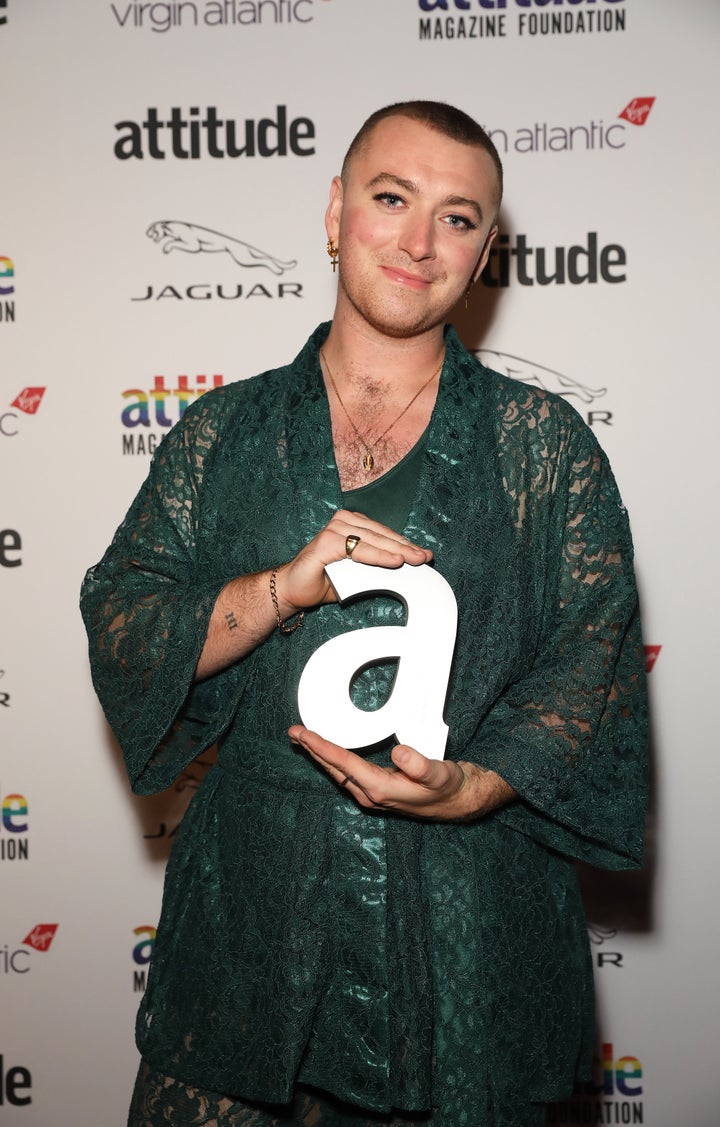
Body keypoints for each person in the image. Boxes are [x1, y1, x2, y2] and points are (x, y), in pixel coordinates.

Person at [80, 101, 648, 1127]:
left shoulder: (546, 445)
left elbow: (589, 655)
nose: (421, 241)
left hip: (472, 915)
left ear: (484, 251)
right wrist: (279, 588)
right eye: (392, 199)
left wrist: (476, 783)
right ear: (336, 211)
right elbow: (123, 616)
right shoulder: (221, 431)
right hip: (252, 917)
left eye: (460, 216)